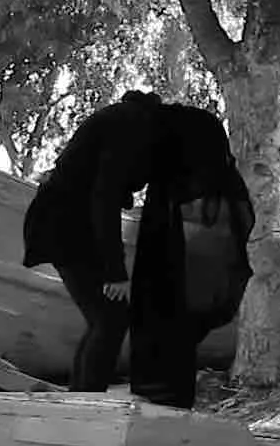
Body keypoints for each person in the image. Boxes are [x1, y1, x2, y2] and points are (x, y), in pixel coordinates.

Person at [22, 92, 250, 405]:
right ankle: (82, 406)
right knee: (109, 320)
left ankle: (81, 400)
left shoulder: (141, 123)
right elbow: (104, 199)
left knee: (108, 320)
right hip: (66, 225)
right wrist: (115, 272)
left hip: (75, 222)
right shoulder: (134, 128)